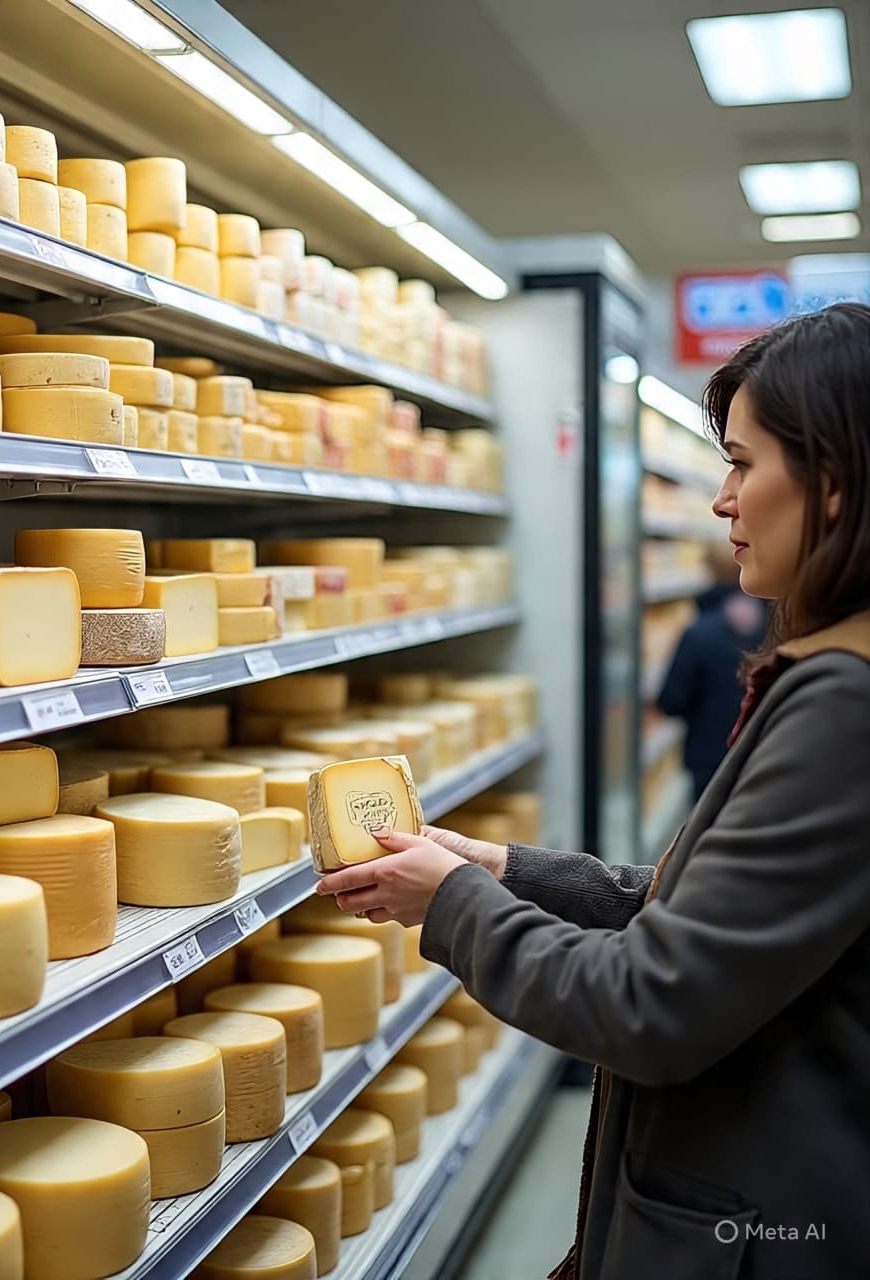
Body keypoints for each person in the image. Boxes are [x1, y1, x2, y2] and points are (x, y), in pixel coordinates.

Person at [316, 302, 870, 1280]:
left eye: (743, 463)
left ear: (831, 481)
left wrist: (446, 903)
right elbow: (705, 919)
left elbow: (646, 1005)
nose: (720, 499)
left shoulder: (841, 704)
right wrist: (501, 867)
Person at [657, 543, 767, 796]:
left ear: (711, 572)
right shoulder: (776, 625)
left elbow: (671, 700)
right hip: (762, 754)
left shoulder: (699, 632)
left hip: (709, 761)